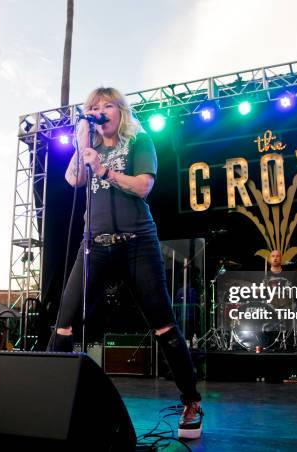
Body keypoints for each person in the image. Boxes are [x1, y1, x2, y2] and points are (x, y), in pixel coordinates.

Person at [48, 87, 203, 439]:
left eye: (107, 106)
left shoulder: (138, 141)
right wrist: (81, 146)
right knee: (64, 323)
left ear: (120, 111)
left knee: (163, 324)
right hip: (94, 245)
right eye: (93, 107)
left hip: (137, 243)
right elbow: (73, 179)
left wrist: (104, 170)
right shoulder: (89, 148)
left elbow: (143, 186)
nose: (99, 111)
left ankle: (191, 400)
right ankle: (50, 399)